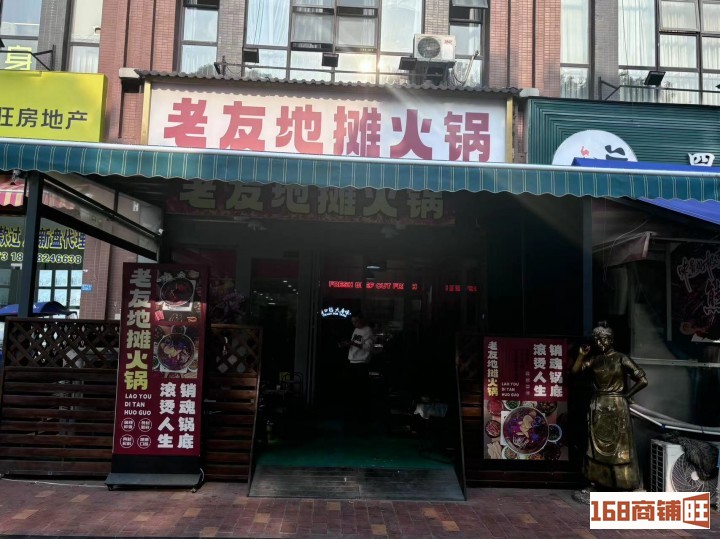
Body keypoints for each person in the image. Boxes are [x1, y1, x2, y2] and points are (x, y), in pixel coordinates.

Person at [571, 321, 648, 491]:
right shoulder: (595, 359)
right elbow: (575, 371)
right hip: (598, 405)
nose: (600, 343)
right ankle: (598, 481)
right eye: (597, 340)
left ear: (611, 339)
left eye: (603, 339)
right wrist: (581, 355)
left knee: (620, 446)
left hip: (617, 405)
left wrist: (626, 396)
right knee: (595, 446)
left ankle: (625, 483)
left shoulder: (621, 358)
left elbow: (642, 380)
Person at [339, 312, 375, 426]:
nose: (354, 324)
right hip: (353, 361)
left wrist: (353, 343)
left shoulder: (368, 331)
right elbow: (355, 344)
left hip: (361, 363)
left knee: (360, 390)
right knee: (352, 390)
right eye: (353, 322)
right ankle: (353, 415)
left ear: (362, 320)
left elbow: (368, 348)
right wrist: (348, 344)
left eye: (356, 321)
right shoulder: (356, 330)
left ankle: (361, 417)